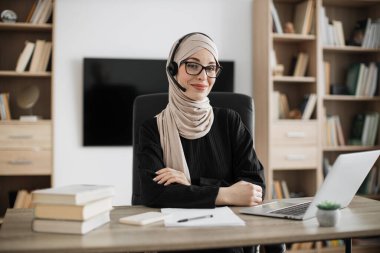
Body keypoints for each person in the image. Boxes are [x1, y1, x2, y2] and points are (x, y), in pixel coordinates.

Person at [137, 32, 285, 253]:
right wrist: (226, 194)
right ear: (172, 70)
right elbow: (153, 193)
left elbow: (253, 187)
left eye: (211, 67)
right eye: (193, 65)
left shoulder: (230, 121)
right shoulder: (153, 128)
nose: (203, 76)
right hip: (175, 240)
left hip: (228, 237)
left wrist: (190, 183)